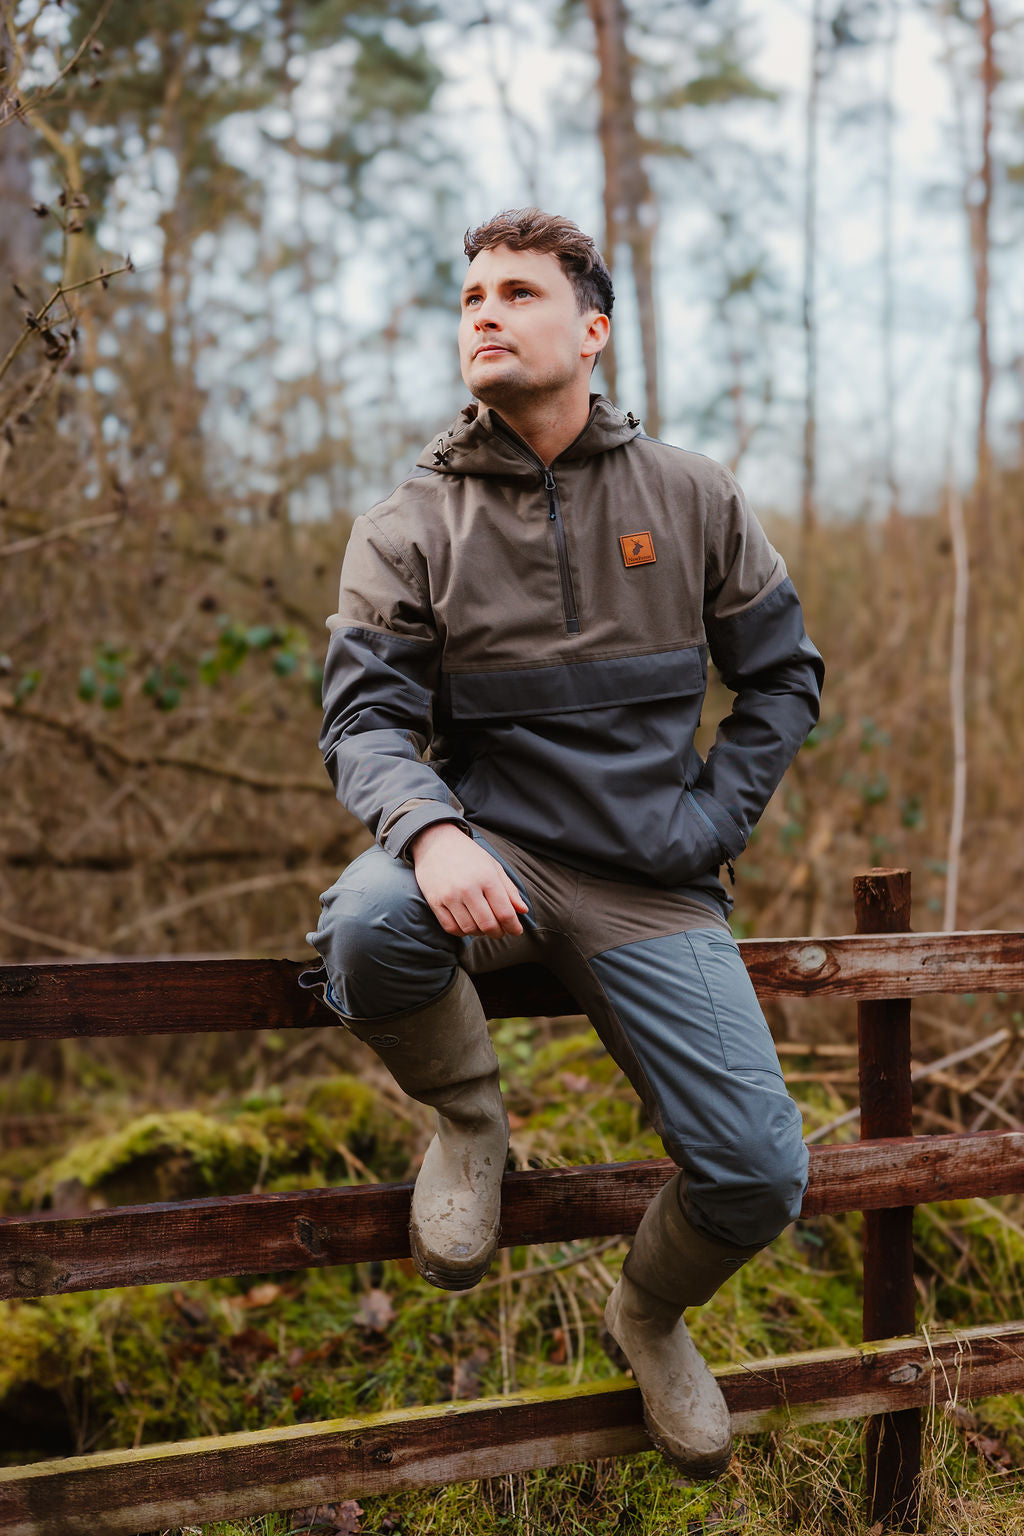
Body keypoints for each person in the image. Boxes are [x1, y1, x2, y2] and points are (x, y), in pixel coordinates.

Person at [300, 208, 824, 1480]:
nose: (483, 309)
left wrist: (707, 820)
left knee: (758, 1175)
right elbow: (361, 721)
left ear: (590, 331)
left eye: (517, 292)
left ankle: (647, 1316)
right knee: (365, 928)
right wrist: (429, 833)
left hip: (654, 881)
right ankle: (471, 1125)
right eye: (470, 292)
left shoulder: (691, 495)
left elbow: (785, 682)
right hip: (495, 857)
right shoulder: (409, 523)